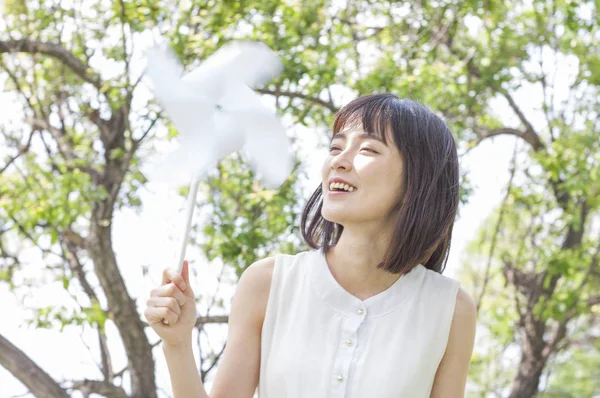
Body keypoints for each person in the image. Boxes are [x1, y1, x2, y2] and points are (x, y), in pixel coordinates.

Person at [144, 94, 477, 398]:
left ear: (415, 182)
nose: (339, 162)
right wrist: (177, 345)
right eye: (335, 148)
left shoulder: (451, 310)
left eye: (368, 150)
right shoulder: (268, 283)